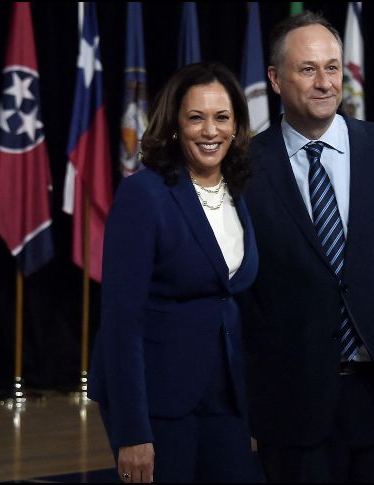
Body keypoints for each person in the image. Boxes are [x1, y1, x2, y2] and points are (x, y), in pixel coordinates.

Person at [239, 11, 374, 482]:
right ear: (275, 79)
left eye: (332, 68)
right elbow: (244, 298)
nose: (324, 83)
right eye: (308, 69)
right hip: (293, 405)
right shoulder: (244, 169)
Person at [88, 62, 262, 483]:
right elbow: (121, 319)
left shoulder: (240, 191)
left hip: (225, 395)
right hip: (159, 400)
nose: (210, 131)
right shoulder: (144, 194)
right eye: (196, 117)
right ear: (174, 124)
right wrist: (133, 431)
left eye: (222, 117)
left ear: (236, 125)